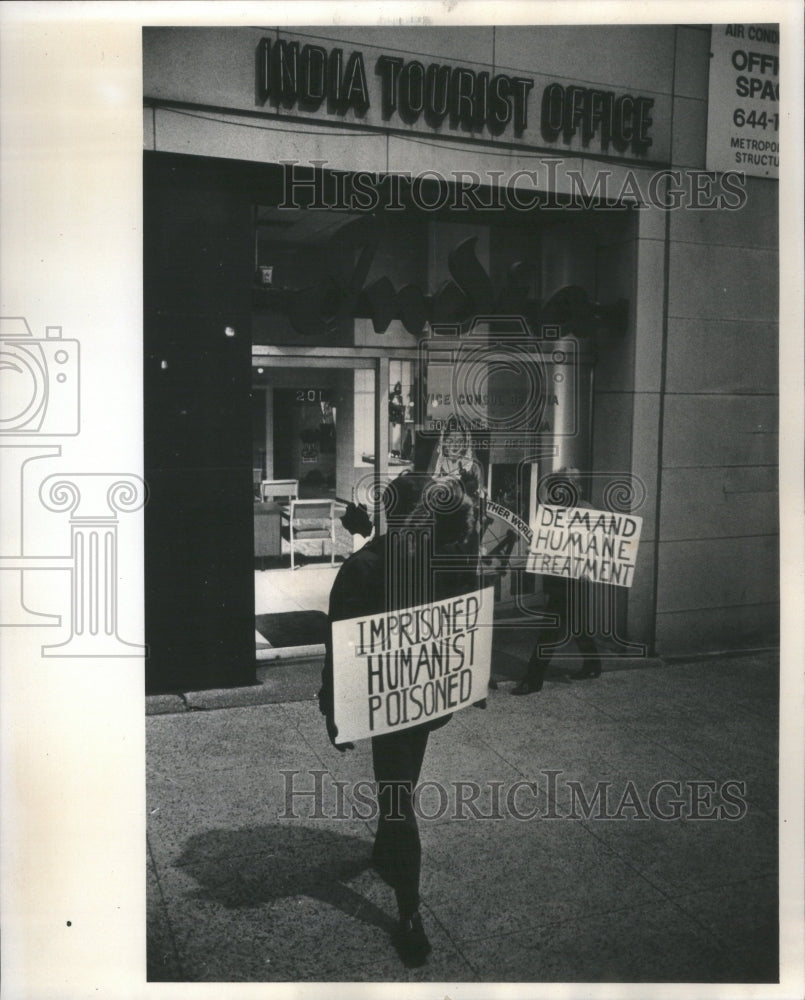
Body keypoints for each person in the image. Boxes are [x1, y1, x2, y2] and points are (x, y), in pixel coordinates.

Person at [318, 471, 480, 966]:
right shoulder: (439, 560)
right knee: (399, 787)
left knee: (396, 795)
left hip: (399, 701)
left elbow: (339, 644)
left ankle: (407, 910)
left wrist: (334, 706)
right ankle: (393, 860)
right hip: (411, 701)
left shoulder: (366, 565)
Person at [512, 468, 602, 695]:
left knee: (550, 629)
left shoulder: (585, 510)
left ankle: (533, 679)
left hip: (575, 577)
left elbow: (597, 545)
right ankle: (593, 665)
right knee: (576, 623)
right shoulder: (552, 511)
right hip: (558, 576)